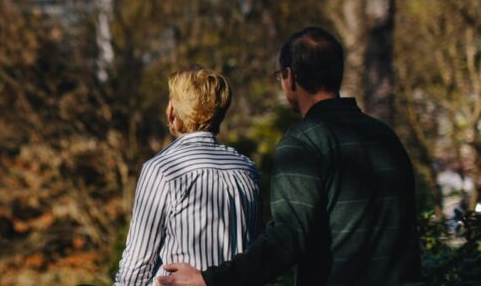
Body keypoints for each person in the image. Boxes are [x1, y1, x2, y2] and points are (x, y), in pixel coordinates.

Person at [158, 27, 422, 286]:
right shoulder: (386, 137)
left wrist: (207, 279)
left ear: (290, 77)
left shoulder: (303, 143)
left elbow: (286, 240)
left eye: (279, 76)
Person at [113, 66, 261, 285]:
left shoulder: (163, 169)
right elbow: (256, 256)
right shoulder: (248, 170)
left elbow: (137, 265)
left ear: (172, 112)